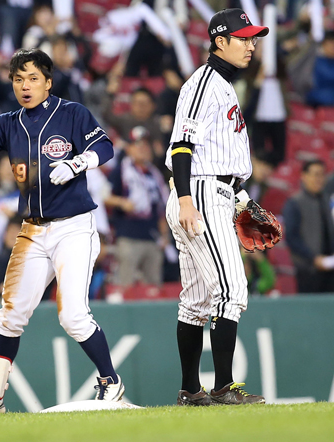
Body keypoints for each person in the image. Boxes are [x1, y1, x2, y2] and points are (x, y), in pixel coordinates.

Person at [0, 48, 126, 414]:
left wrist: (78, 162)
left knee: (73, 315)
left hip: (74, 227)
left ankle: (111, 380)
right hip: (32, 230)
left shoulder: (72, 113)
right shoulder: (9, 122)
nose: (24, 86)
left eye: (32, 78)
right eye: (17, 79)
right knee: (10, 315)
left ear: (47, 81)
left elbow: (104, 146)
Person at [165, 9, 271, 406]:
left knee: (196, 300)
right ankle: (224, 386)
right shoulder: (204, 83)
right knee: (231, 291)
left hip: (216, 192)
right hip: (199, 193)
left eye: (253, 38)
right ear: (219, 41)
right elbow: (181, 145)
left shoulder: (224, 85)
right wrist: (187, 200)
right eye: (243, 38)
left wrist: (241, 200)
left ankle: (191, 390)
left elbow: (220, 157)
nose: (251, 44)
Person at [104, 126, 169, 291]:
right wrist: (121, 202)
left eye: (145, 145)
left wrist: (164, 235)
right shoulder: (120, 171)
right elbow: (104, 197)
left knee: (153, 287)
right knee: (125, 285)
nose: (142, 149)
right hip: (128, 236)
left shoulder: (155, 175)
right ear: (129, 149)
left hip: (152, 238)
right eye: (137, 145)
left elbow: (161, 208)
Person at [283, 160, 334, 294]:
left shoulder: (327, 201)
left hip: (330, 268)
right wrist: (313, 258)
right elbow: (292, 237)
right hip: (308, 271)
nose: (319, 179)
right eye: (315, 175)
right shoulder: (295, 203)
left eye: (322, 175)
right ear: (304, 176)